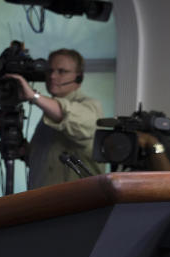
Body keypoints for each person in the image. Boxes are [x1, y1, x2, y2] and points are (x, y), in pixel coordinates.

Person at [7, 48, 104, 188]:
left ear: (79, 76)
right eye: (49, 71)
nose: (52, 76)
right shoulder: (49, 111)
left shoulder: (90, 107)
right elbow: (47, 162)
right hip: (44, 203)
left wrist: (34, 97)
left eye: (62, 71)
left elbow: (66, 115)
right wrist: (24, 150)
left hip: (78, 205)